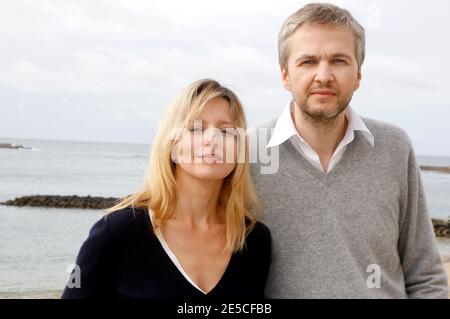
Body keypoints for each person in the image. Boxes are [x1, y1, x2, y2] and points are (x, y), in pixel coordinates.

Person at [250, 3, 448, 298]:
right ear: (285, 75)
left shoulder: (394, 147)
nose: (324, 75)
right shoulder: (247, 152)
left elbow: (426, 276)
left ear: (358, 74)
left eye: (339, 61)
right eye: (308, 61)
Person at [62, 79, 271, 299]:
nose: (212, 139)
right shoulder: (117, 231)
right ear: (171, 147)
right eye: (195, 128)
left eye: (226, 131)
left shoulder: (254, 239)